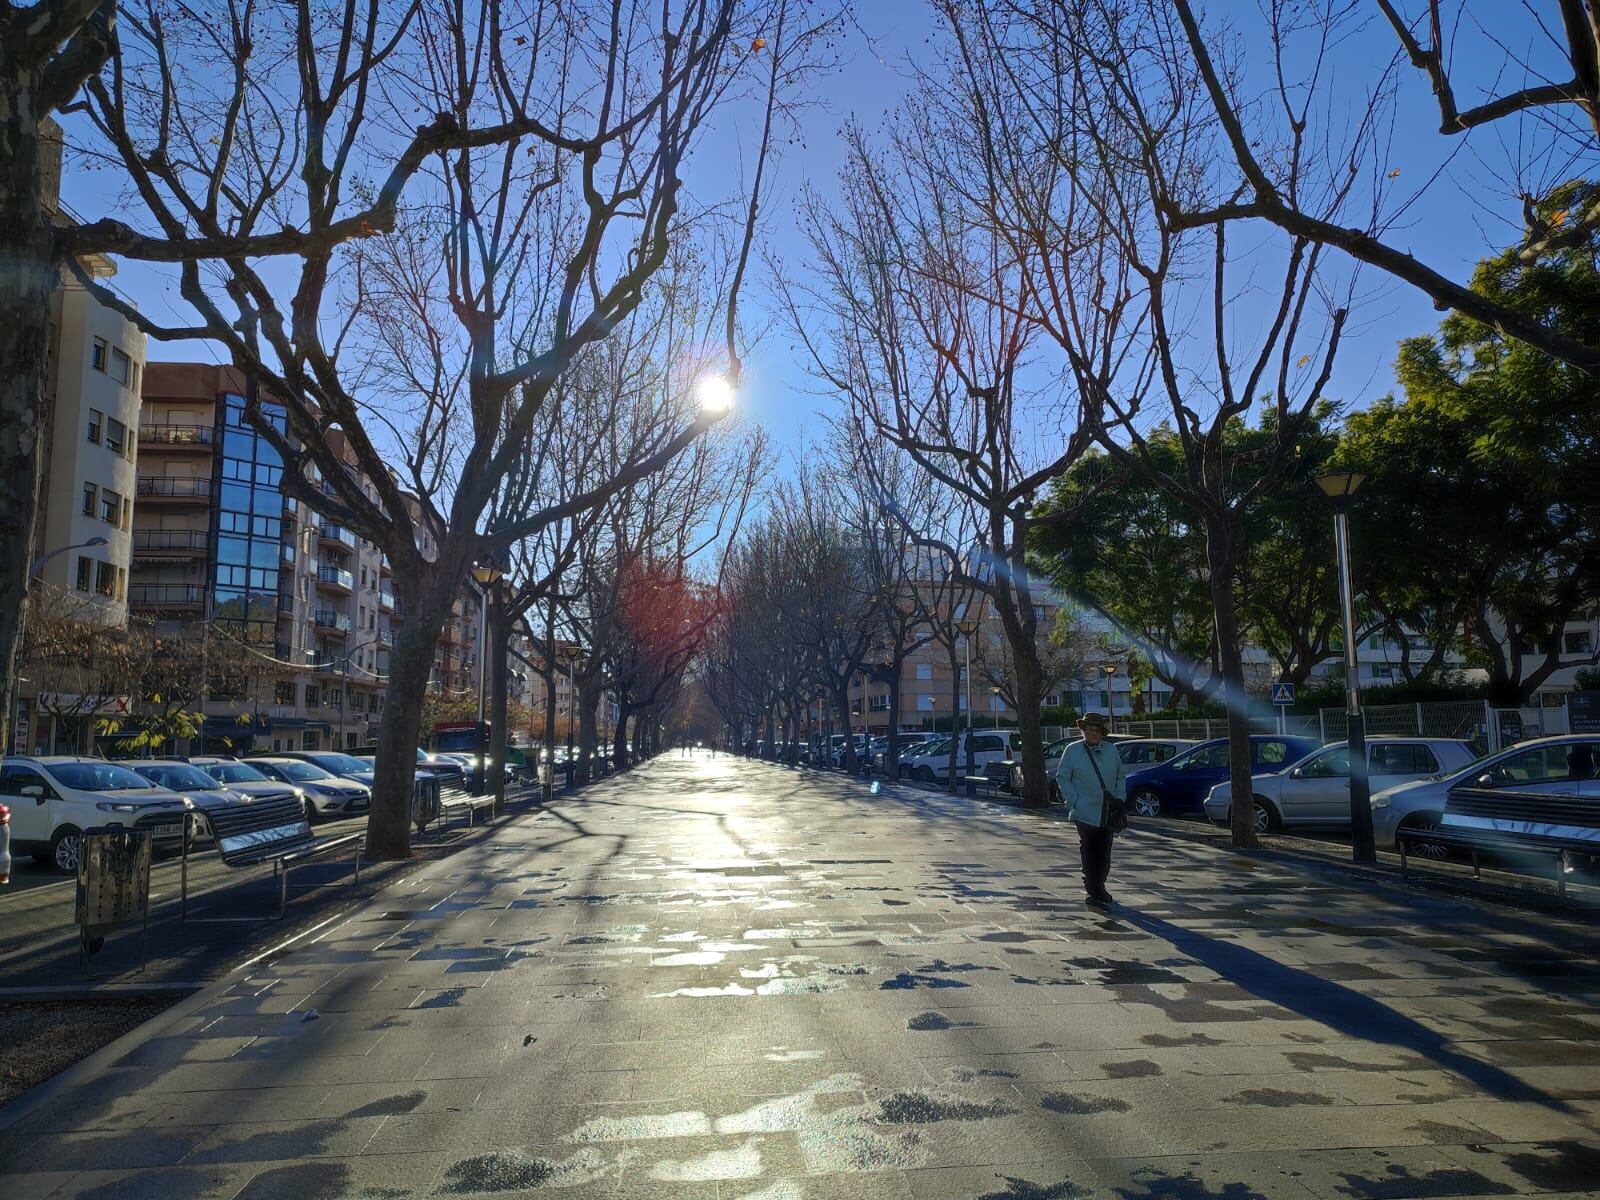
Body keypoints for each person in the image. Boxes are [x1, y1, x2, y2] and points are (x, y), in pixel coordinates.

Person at [1055, 712, 1126, 908]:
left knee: (1105, 849)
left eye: (1097, 730)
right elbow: (1062, 777)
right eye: (1090, 729)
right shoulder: (1072, 751)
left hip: (1108, 811)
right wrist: (1074, 801)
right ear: (1083, 731)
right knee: (1089, 848)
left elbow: (1121, 776)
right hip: (1084, 811)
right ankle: (1093, 887)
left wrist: (1120, 797)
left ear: (1102, 733)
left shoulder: (1111, 751)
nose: (1093, 733)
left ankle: (1099, 883)